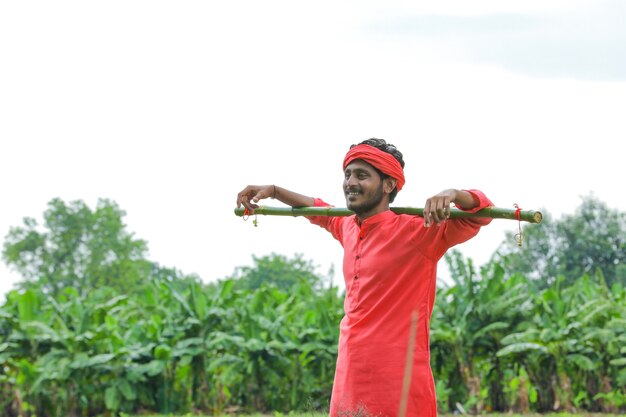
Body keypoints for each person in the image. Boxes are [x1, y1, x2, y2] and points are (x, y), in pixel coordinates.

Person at [236, 138, 493, 417]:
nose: (350, 183)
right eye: (347, 174)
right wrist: (273, 191)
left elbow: (479, 213)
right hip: (349, 371)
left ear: (389, 184)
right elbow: (315, 209)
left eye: (362, 175)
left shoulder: (422, 231)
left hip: (399, 376)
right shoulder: (346, 225)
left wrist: (453, 194)